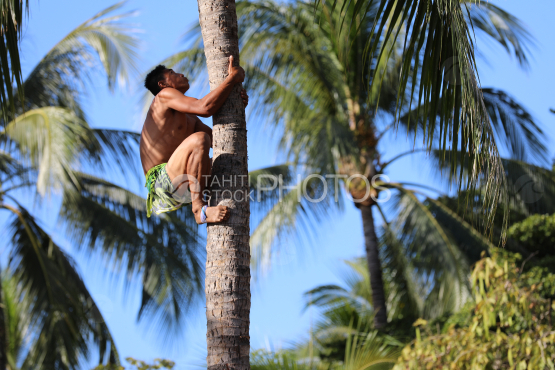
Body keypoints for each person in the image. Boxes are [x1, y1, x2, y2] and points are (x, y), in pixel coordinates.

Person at [140, 56, 248, 224]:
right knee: (199, 139)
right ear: (163, 84)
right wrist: (232, 79)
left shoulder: (189, 118)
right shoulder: (163, 96)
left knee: (230, 164)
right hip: (162, 183)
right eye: (172, 73)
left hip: (183, 181)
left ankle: (205, 202)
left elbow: (220, 140)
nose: (181, 74)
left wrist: (236, 105)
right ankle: (199, 210)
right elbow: (204, 108)